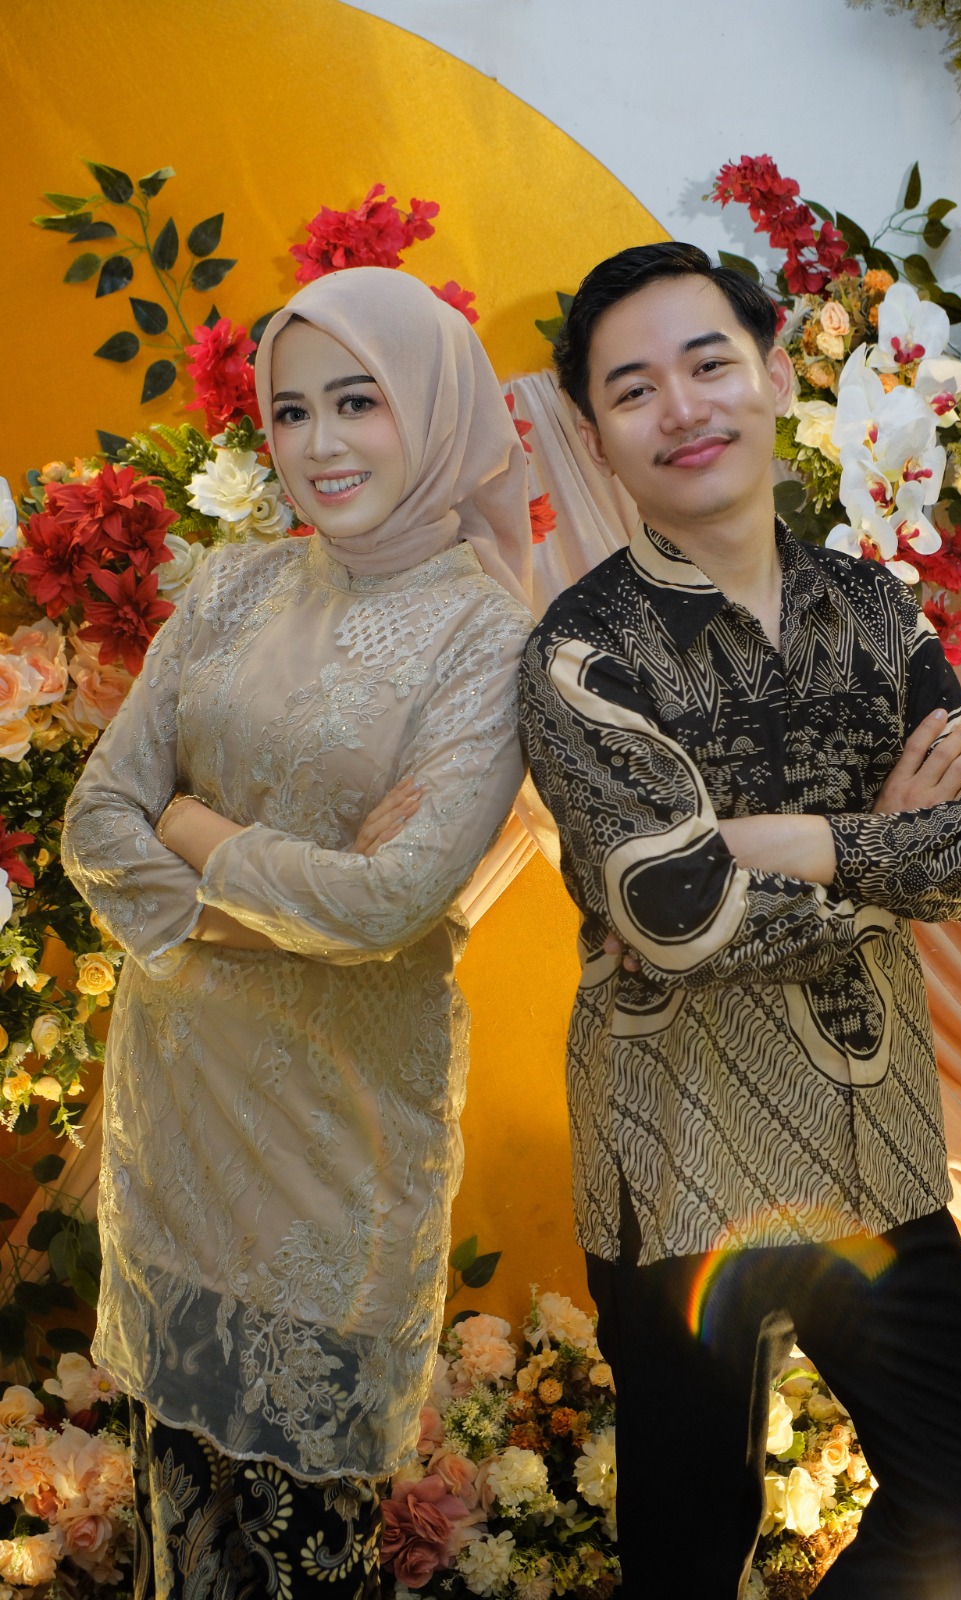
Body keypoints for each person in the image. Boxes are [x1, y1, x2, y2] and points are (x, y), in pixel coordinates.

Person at [517, 241, 961, 1600]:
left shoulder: (871, 607)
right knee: (690, 1553)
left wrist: (794, 841)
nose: (682, 408)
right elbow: (676, 915)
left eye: (708, 364)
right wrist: (884, 843)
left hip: (875, 1135)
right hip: (675, 1158)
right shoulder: (580, 654)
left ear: (768, 374)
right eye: (634, 388)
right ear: (595, 432)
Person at [61, 266, 533, 1599]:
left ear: (434, 408)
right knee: (179, 1534)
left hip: (339, 1147)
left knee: (302, 1552)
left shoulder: (490, 639)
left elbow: (387, 905)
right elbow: (97, 818)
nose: (320, 443)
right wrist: (273, 894)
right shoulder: (231, 588)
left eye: (358, 402)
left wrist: (189, 828)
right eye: (291, 410)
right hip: (176, 1122)